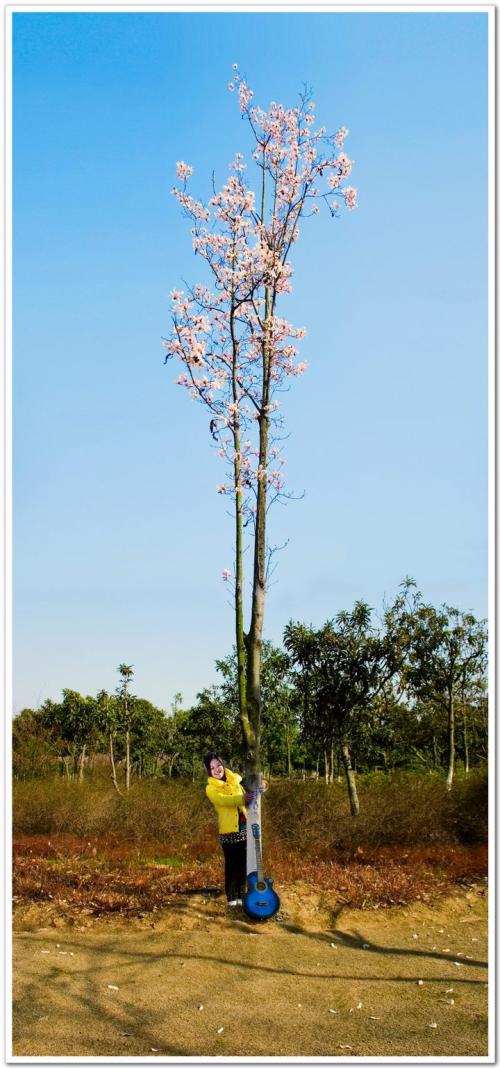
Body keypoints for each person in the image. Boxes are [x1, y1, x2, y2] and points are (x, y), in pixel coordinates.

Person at [204, 751, 251, 907]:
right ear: (209, 771)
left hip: (244, 827)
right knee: (231, 865)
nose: (217, 769)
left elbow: (252, 784)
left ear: (222, 764)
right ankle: (231, 898)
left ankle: (241, 896)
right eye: (212, 767)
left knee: (243, 864)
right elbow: (223, 801)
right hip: (228, 831)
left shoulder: (235, 779)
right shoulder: (211, 788)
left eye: (218, 765)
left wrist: (263, 784)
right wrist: (241, 799)